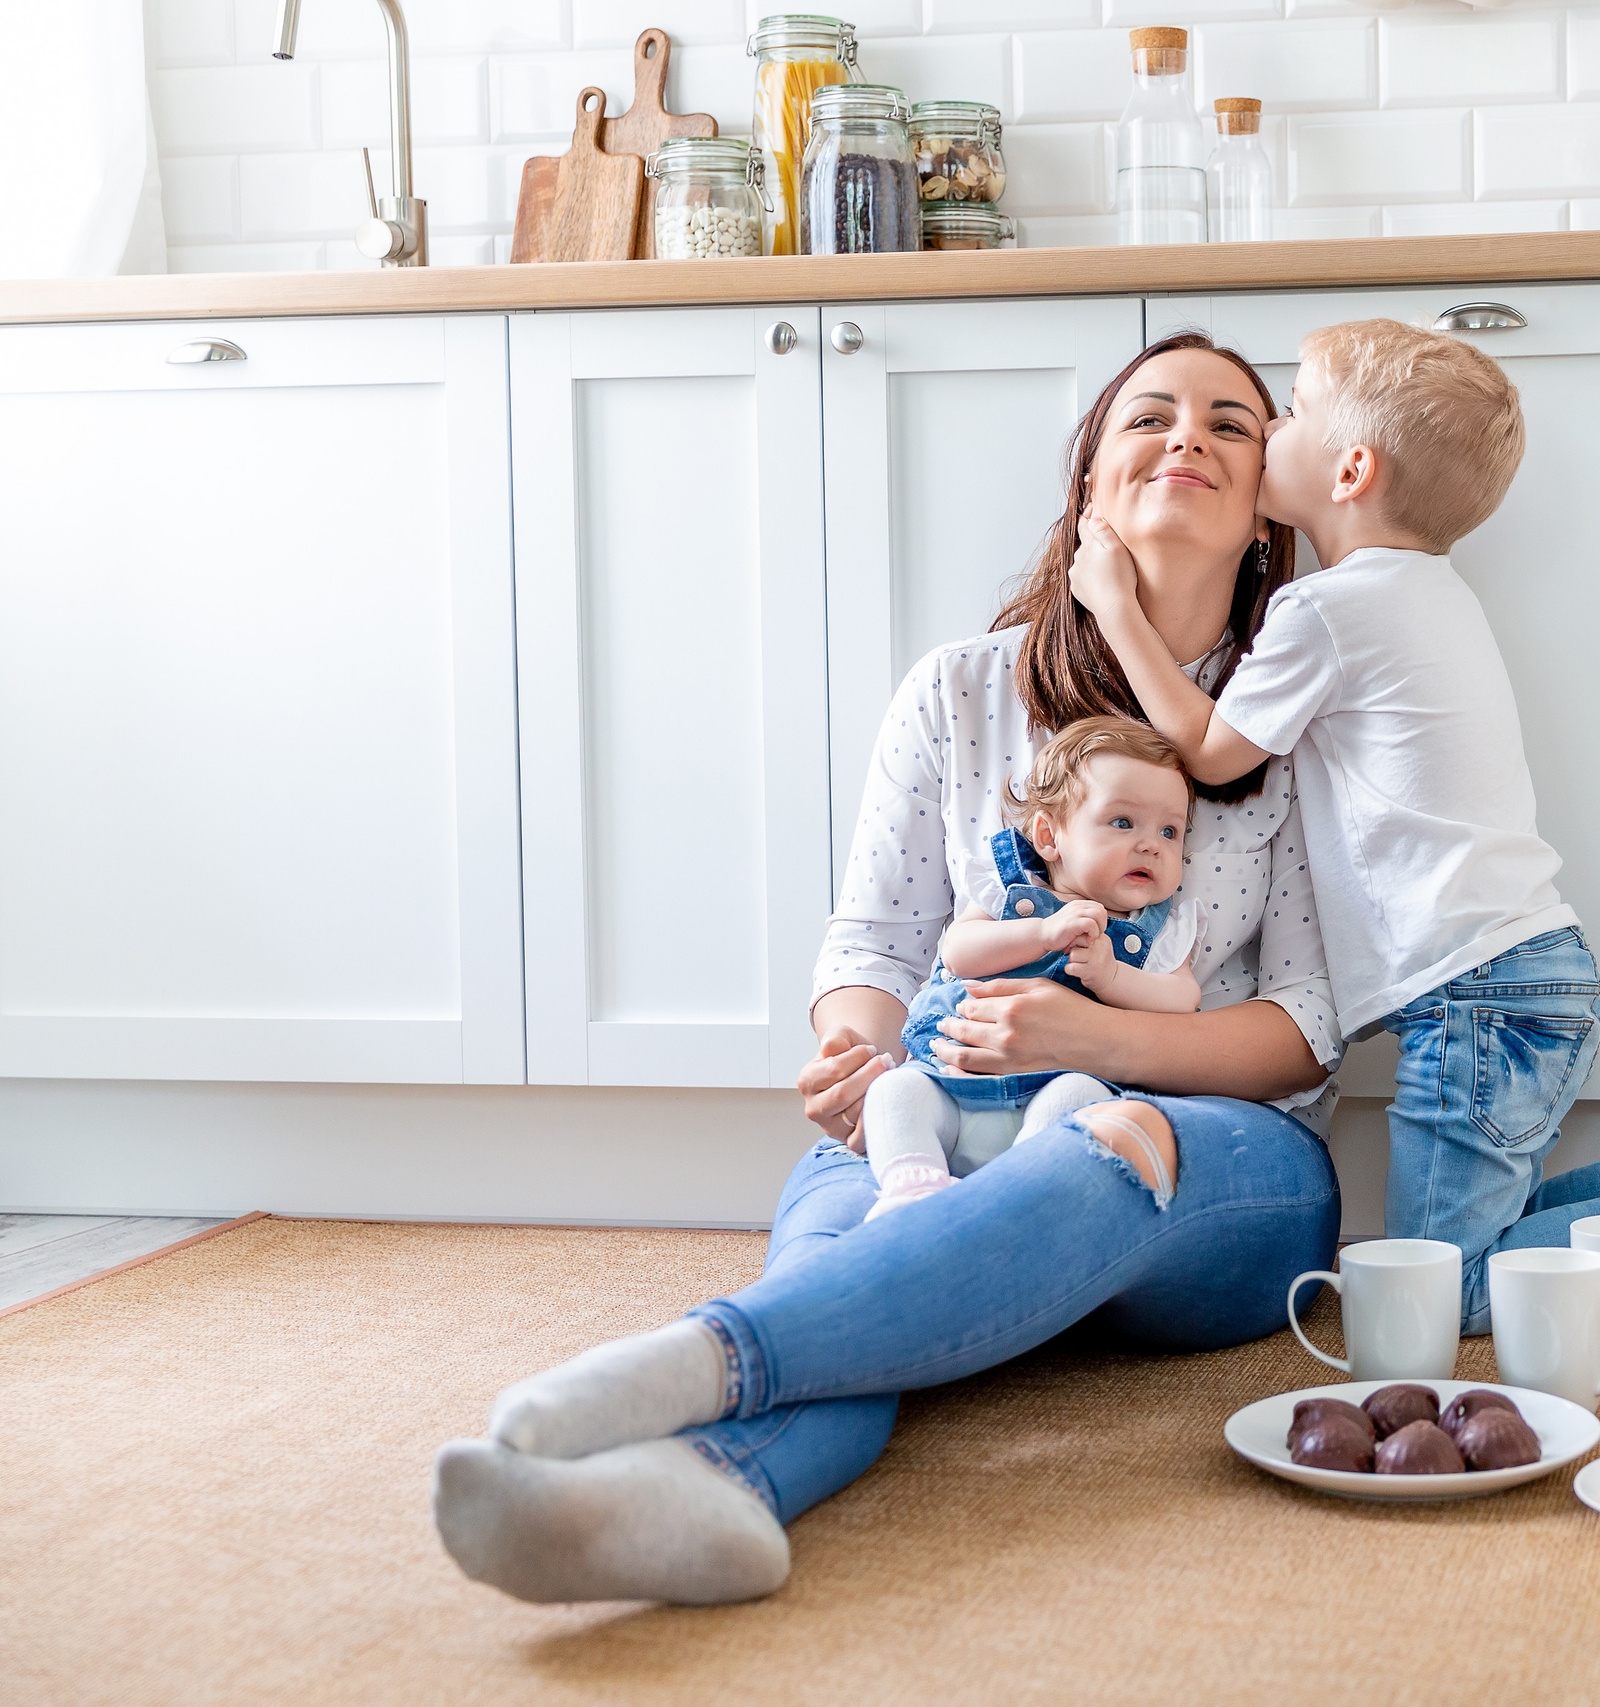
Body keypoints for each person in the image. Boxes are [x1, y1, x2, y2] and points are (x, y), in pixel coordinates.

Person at [430, 334, 1346, 1606]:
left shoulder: (1300, 720)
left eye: (1231, 425)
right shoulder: (960, 693)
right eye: (1148, 415)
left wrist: (1092, 1046)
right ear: (1089, 486)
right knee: (853, 1230)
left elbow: (1306, 1025)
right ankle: (712, 1494)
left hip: (1221, 1160)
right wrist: (858, 1057)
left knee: (1099, 1144)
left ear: (1264, 518)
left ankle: (693, 1362)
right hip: (949, 1110)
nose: (1187, 434)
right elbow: (872, 942)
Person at [1073, 319, 1600, 1334]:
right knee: (1479, 1238)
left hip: (1477, 1000)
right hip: (1515, 976)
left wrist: (1113, 604)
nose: (1271, 425)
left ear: (1350, 470)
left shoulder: (1325, 611)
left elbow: (1212, 750)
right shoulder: (1425, 593)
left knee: (1449, 1286)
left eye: (1292, 411)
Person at [862, 715, 1212, 1218]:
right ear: (1049, 836)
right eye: (1122, 822)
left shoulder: (1158, 927)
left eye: (1170, 831)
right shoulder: (1009, 890)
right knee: (894, 1090)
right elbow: (960, 951)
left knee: (1082, 1097)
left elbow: (1184, 997)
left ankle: (1021, 1197)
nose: (1151, 844)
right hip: (953, 1078)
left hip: (1052, 1091)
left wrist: (1114, 977)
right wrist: (1042, 933)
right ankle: (912, 1188)